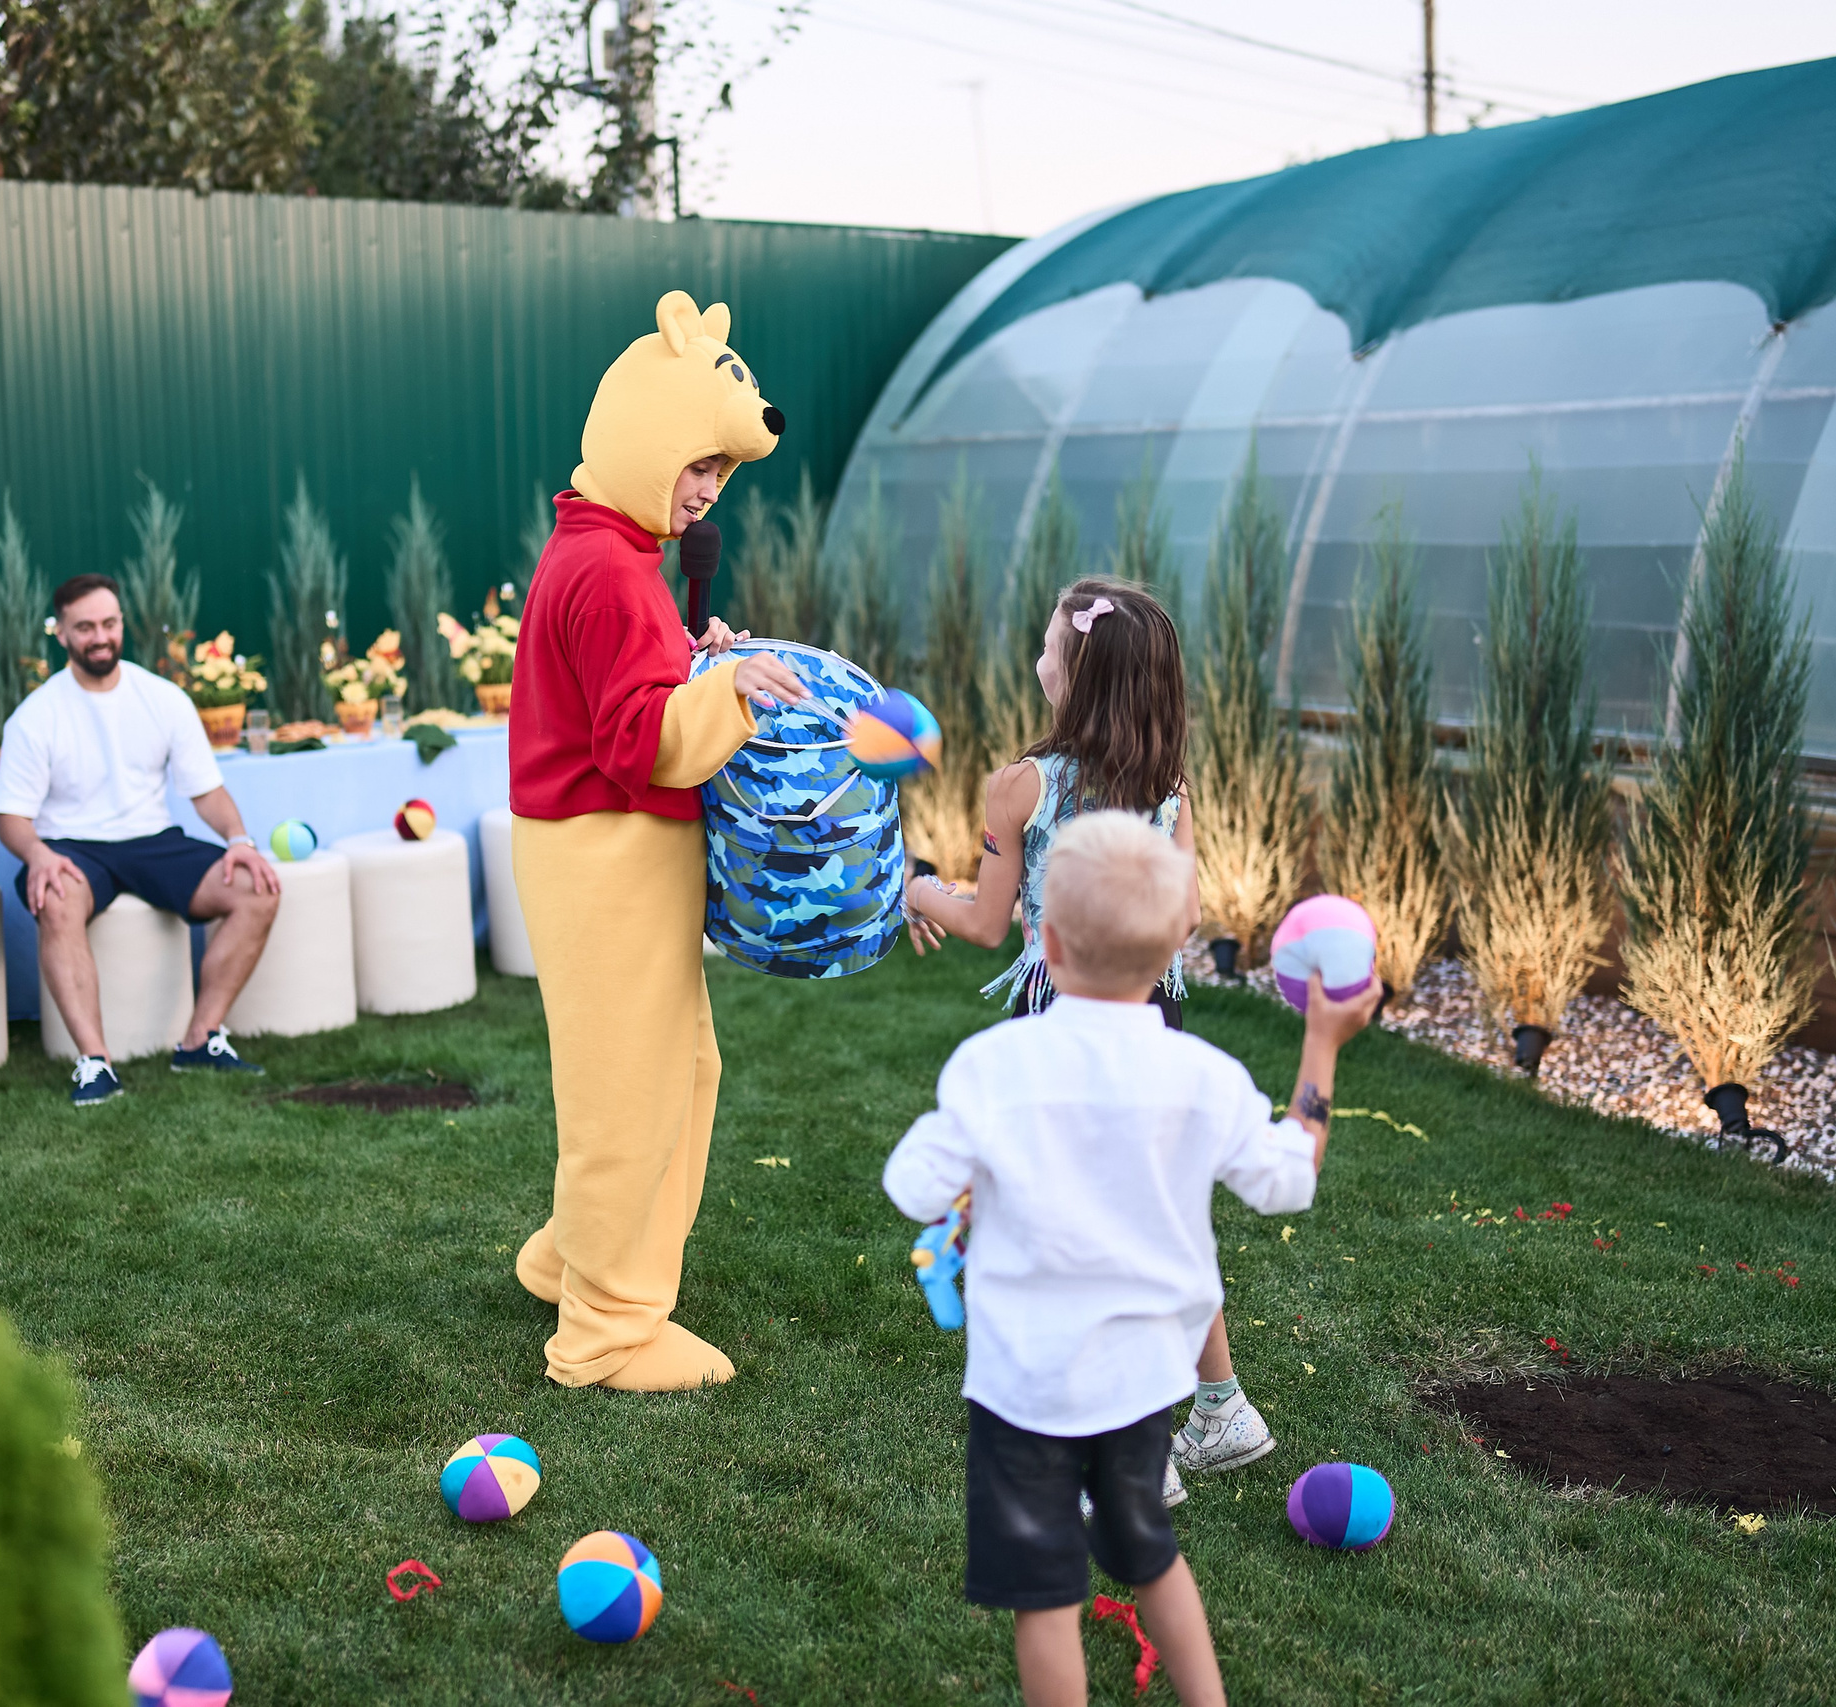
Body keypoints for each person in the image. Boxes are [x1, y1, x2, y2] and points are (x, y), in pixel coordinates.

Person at [885, 811, 1381, 1707]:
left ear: (1045, 939)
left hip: (1023, 1387)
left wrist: (962, 1181)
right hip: (1148, 1383)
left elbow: (912, 1184)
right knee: (1150, 1554)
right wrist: (1321, 1043)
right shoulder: (1205, 1077)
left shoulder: (990, 1067)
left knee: (1044, 1598)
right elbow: (1287, 1180)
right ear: (1176, 947)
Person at [505, 289, 811, 1392]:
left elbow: (629, 684)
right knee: (629, 1091)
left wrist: (694, 653)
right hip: (603, 851)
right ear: (642, 443)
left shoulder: (611, 547)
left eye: (718, 477)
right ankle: (605, 1329)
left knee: (673, 1067)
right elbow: (637, 741)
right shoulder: (607, 569)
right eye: (695, 467)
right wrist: (722, 689)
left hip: (606, 851)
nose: (704, 492)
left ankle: (572, 1256)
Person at [902, 577, 1267, 1493]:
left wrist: (914, 890)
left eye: (1050, 648)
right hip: (1155, 1016)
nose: (1039, 658)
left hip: (1060, 1022)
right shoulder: (1169, 790)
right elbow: (1179, 916)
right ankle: (1221, 1407)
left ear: (1080, 676)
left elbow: (986, 924)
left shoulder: (1019, 787)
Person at [0, 573, 281, 1107]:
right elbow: (12, 818)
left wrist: (239, 839)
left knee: (257, 888)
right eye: (85, 628)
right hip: (72, 846)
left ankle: (200, 1041)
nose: (99, 636)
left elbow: (207, 792)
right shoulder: (36, 716)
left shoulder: (162, 698)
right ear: (61, 634)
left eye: (108, 623)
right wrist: (37, 855)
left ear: (122, 623)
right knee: (54, 897)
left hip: (152, 841)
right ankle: (95, 1063)